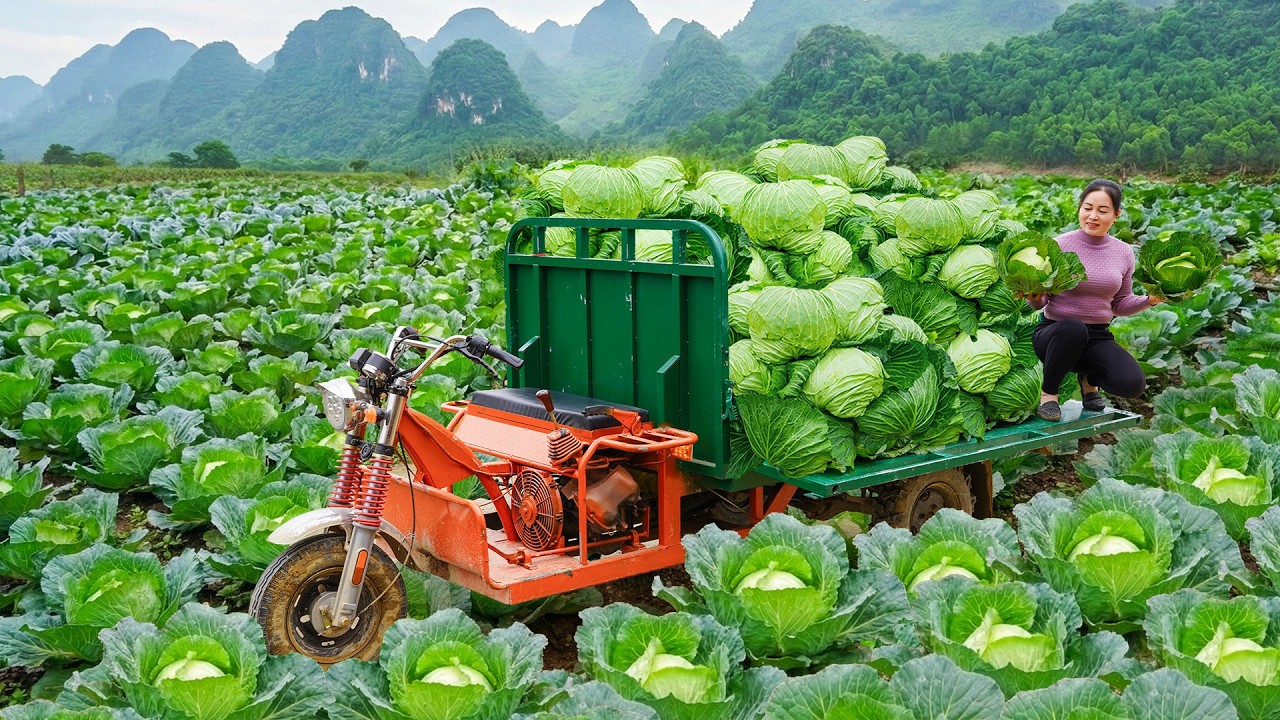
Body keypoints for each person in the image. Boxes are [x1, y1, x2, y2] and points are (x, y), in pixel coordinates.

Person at [1021, 179, 1165, 422]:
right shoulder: (1058, 245)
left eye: (1102, 210)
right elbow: (1041, 299)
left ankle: (1089, 379)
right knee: (1073, 328)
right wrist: (1033, 298)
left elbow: (1120, 303)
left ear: (1116, 215)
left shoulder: (1124, 252)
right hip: (1054, 334)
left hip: (1097, 336)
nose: (1093, 216)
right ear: (1080, 208)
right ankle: (1049, 395)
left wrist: (1149, 300)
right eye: (1087, 208)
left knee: (1132, 384)